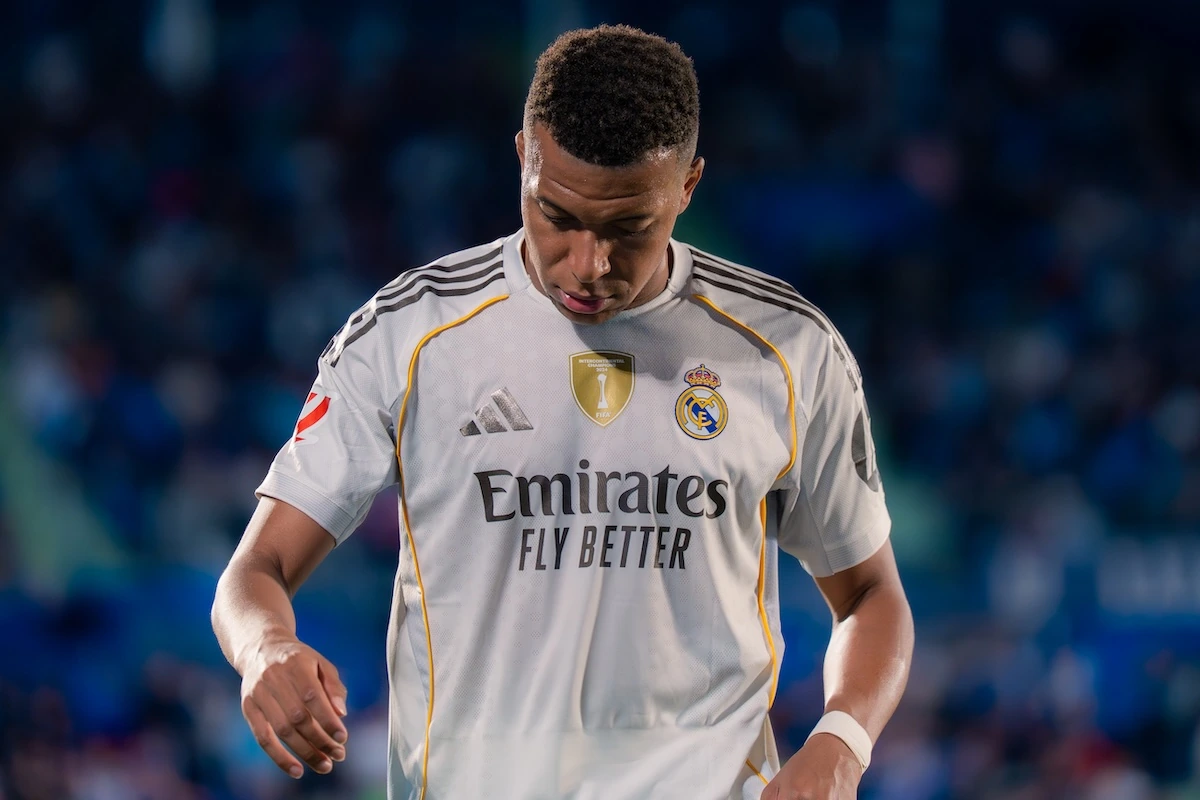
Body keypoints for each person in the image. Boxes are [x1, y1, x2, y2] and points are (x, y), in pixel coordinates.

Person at [211, 23, 914, 800]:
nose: (587, 264)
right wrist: (265, 647)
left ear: (687, 186)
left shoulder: (787, 348)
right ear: (524, 158)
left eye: (627, 229)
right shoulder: (409, 334)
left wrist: (842, 743)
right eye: (557, 215)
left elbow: (871, 595)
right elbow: (256, 569)